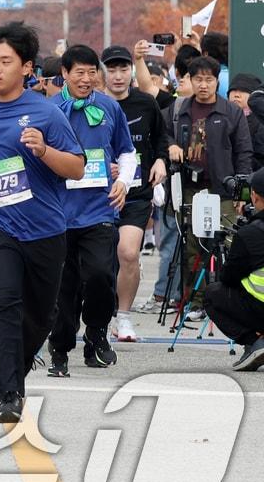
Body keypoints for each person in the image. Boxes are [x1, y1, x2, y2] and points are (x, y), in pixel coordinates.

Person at [0, 23, 84, 424]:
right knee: (3, 302)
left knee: (39, 316)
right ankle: (8, 393)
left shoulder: (46, 112)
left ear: (26, 68)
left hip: (44, 229)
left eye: (5, 61)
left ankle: (13, 378)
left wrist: (44, 151)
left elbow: (76, 168)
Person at [46, 45, 136, 376]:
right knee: (63, 287)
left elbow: (128, 152)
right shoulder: (48, 110)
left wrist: (123, 183)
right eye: (78, 73)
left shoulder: (110, 108)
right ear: (64, 75)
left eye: (90, 72)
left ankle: (96, 333)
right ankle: (60, 349)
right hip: (57, 213)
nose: (86, 79)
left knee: (100, 274)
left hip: (99, 209)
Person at [165, 55, 253, 303]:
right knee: (192, 247)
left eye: (209, 79)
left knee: (225, 245)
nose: (203, 85)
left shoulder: (232, 112)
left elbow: (244, 152)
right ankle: (196, 300)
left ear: (217, 81)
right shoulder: (179, 109)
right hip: (190, 189)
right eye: (198, 79)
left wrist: (241, 193)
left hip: (222, 190)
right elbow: (161, 133)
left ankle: (225, 300)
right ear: (190, 81)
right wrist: (171, 145)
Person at [100, 44, 169, 343]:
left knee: (127, 253)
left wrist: (160, 160)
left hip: (137, 193)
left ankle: (124, 318)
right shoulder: (92, 104)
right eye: (111, 70)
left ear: (131, 71)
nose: (117, 76)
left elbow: (160, 139)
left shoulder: (145, 103)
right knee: (100, 263)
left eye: (123, 69)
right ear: (102, 74)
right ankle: (98, 318)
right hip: (98, 195)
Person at [203, 169, 264, 371]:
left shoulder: (250, 234)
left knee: (213, 294)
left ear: (254, 196)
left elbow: (228, 278)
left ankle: (255, 342)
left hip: (259, 310)